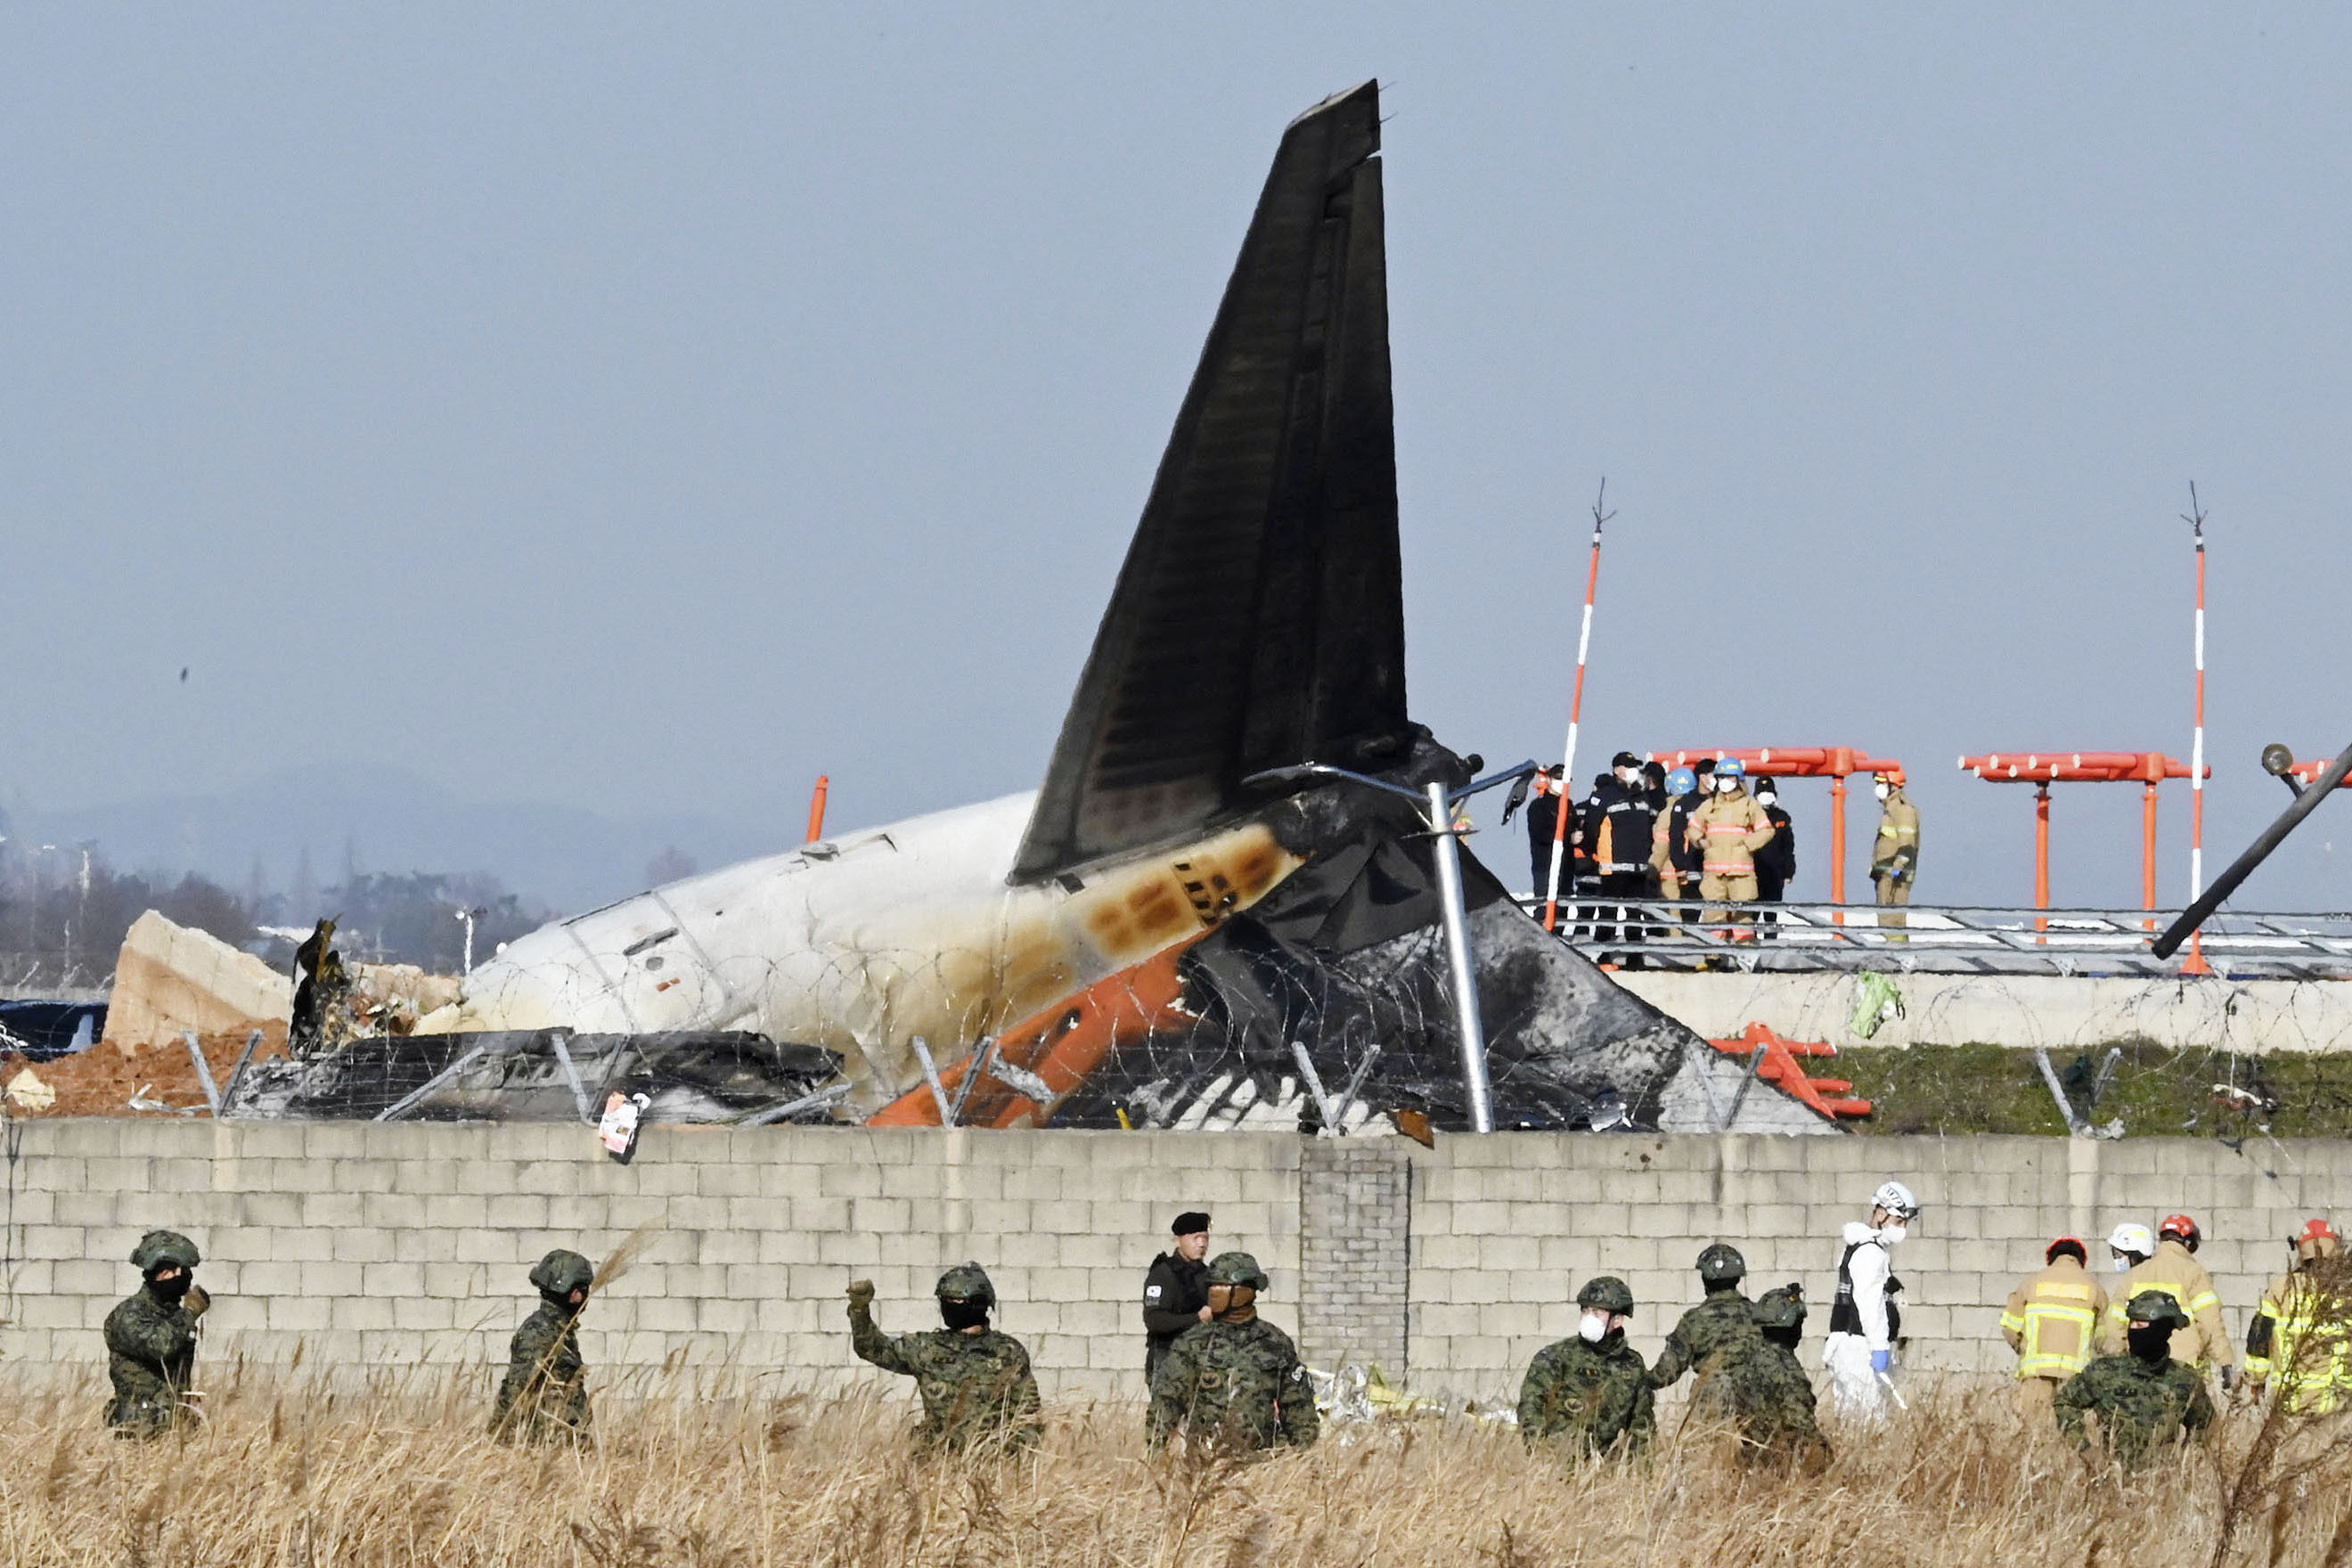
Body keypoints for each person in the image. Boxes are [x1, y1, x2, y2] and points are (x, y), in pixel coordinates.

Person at [848, 1262, 1043, 1455]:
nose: (950, 1306)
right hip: (935, 1468)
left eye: (957, 1301)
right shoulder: (926, 1348)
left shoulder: (1008, 1352)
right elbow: (872, 1348)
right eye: (946, 1300)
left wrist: (1016, 1462)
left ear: (978, 1303)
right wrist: (859, 1308)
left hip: (990, 1468)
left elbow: (1029, 1416)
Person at [1147, 1251, 1319, 1454]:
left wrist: (1302, 1461)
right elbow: (1165, 1403)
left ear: (1246, 1291)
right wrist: (1156, 1456)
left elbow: (1299, 1408)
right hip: (1205, 1466)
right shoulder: (1193, 1343)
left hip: (1264, 1466)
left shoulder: (1274, 1342)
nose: (1214, 1291)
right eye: (1212, 1285)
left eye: (1222, 1286)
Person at [2054, 1290, 2216, 1471]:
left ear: (2162, 1330)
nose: (2135, 1331)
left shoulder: (2185, 1379)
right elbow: (2065, 1402)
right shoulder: (2105, 1371)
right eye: (2133, 1324)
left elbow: (2205, 1423)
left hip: (2162, 1487)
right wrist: (2086, 1450)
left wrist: (2187, 1464)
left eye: (2142, 1324)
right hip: (2112, 1483)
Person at [1517, 1275, 1654, 1460]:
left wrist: (1639, 1476)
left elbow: (1642, 1428)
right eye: (1585, 1311)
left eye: (1597, 1313)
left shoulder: (1632, 1365)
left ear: (1617, 1320)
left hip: (1604, 1469)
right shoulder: (1556, 1357)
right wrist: (1541, 1456)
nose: (1589, 1318)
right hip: (1557, 1466)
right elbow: (1530, 1408)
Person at [2098, 1213, 2235, 1388]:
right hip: (2184, 1368)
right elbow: (2210, 1323)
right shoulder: (2194, 1273)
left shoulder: (2135, 1274)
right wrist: (2225, 1361)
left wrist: (2118, 1357)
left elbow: (2115, 1323)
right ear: (2188, 1243)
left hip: (2141, 1368)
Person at [1823, 1180, 1917, 1422]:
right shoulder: (1870, 1253)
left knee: (1851, 1419)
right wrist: (1879, 1347)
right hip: (1860, 1350)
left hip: (1851, 1346)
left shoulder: (1862, 1247)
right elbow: (1869, 1304)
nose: (1902, 1228)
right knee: (1870, 1424)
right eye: (1899, 1221)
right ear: (1882, 1213)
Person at [103, 1229, 208, 1438]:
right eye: (169, 1270)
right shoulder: (129, 1315)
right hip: (138, 1433)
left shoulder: (173, 1315)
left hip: (176, 1430)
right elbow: (161, 1347)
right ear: (152, 1274)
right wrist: (189, 1313)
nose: (178, 1276)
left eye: (183, 1270)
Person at [2244, 1218, 2352, 1414]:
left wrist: (2255, 1381)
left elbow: (2259, 1339)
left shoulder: (2281, 1289)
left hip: (2287, 1405)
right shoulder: (2345, 1291)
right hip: (2334, 1408)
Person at [1646, 1243, 1763, 1418]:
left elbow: (1665, 1373)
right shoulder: (1761, 1316)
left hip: (1711, 1410)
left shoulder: (1694, 1321)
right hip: (1758, 1408)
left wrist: (1636, 1379)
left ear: (1705, 1280)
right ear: (1738, 1279)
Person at [2001, 1236, 2109, 1423]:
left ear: (2051, 1258)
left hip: (2036, 1374)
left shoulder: (2030, 1284)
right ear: (2081, 1260)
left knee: (2034, 1436)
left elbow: (2010, 1328)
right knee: (2071, 1434)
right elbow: (2106, 1339)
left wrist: (2024, 1351)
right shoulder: (2094, 1288)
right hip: (2076, 1379)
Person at [492, 1248, 595, 1443]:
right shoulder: (540, 1333)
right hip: (542, 1449)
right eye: (584, 1289)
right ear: (575, 1294)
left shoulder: (558, 1331)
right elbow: (515, 1395)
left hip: (557, 1449)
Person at [1735, 1284, 1831, 1474]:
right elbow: (1802, 1427)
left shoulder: (1746, 1359)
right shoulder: (1786, 1371)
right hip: (1780, 1466)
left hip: (1749, 1462)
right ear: (1792, 1325)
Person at [1685, 758, 1775, 933]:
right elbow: (1693, 828)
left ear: (1738, 779)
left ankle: (1744, 956)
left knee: (1742, 918)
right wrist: (1701, 841)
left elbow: (1767, 831)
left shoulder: (1749, 804)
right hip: (1714, 873)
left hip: (1740, 872)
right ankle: (1713, 957)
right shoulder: (1709, 805)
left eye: (1729, 777)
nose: (1725, 781)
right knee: (1714, 916)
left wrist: (1747, 846)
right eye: (1722, 777)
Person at [1587, 752, 1660, 965]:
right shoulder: (1605, 796)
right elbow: (1592, 829)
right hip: (1613, 866)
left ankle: (1635, 956)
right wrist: (1597, 856)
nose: (1634, 771)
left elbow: (1649, 828)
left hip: (1638, 866)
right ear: (1618, 770)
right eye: (1629, 767)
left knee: (1634, 914)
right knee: (1608, 912)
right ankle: (1601, 954)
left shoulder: (1641, 796)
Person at [1142, 1211, 1213, 1385]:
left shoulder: (1207, 1275)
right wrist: (1197, 1318)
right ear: (1178, 1239)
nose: (1201, 1244)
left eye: (1205, 1238)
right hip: (1168, 1363)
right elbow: (1154, 1320)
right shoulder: (1162, 1275)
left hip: (1201, 1362)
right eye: (1195, 1238)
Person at [1651, 766, 1709, 935]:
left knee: (1674, 918)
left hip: (1670, 875)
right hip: (1693, 871)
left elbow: (1662, 847)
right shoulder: (1698, 809)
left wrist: (1651, 871)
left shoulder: (1669, 812)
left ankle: (1678, 955)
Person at [1869, 772, 1920, 939]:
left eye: (1882, 783)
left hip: (1895, 877)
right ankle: (1890, 955)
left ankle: (1897, 958)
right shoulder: (1890, 810)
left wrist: (1897, 868)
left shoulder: (1903, 810)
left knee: (1894, 920)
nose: (1879, 787)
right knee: (1885, 920)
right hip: (1885, 875)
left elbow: (1907, 843)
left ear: (1894, 785)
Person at [1752, 780, 1796, 933]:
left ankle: (1770, 943)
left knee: (1771, 913)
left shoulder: (1781, 818)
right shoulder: (1749, 815)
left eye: (1769, 792)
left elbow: (1788, 848)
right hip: (1753, 873)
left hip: (1775, 874)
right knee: (1752, 913)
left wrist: (1789, 871)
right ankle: (1751, 943)